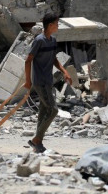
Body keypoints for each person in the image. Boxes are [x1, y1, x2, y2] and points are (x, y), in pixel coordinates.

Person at [24, 13, 72, 153]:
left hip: (48, 81)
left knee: (44, 111)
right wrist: (28, 81)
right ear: (50, 25)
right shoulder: (39, 40)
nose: (58, 26)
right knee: (53, 110)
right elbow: (28, 60)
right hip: (40, 81)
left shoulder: (53, 40)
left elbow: (54, 59)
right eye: (57, 23)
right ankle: (36, 140)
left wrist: (65, 71)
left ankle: (37, 143)